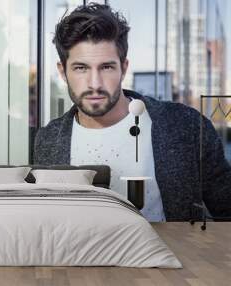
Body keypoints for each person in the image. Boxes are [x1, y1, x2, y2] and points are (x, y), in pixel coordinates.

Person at [33, 3, 231, 221]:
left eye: (106, 67)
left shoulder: (187, 126)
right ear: (63, 71)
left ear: (124, 68)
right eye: (81, 68)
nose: (95, 83)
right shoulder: (48, 139)